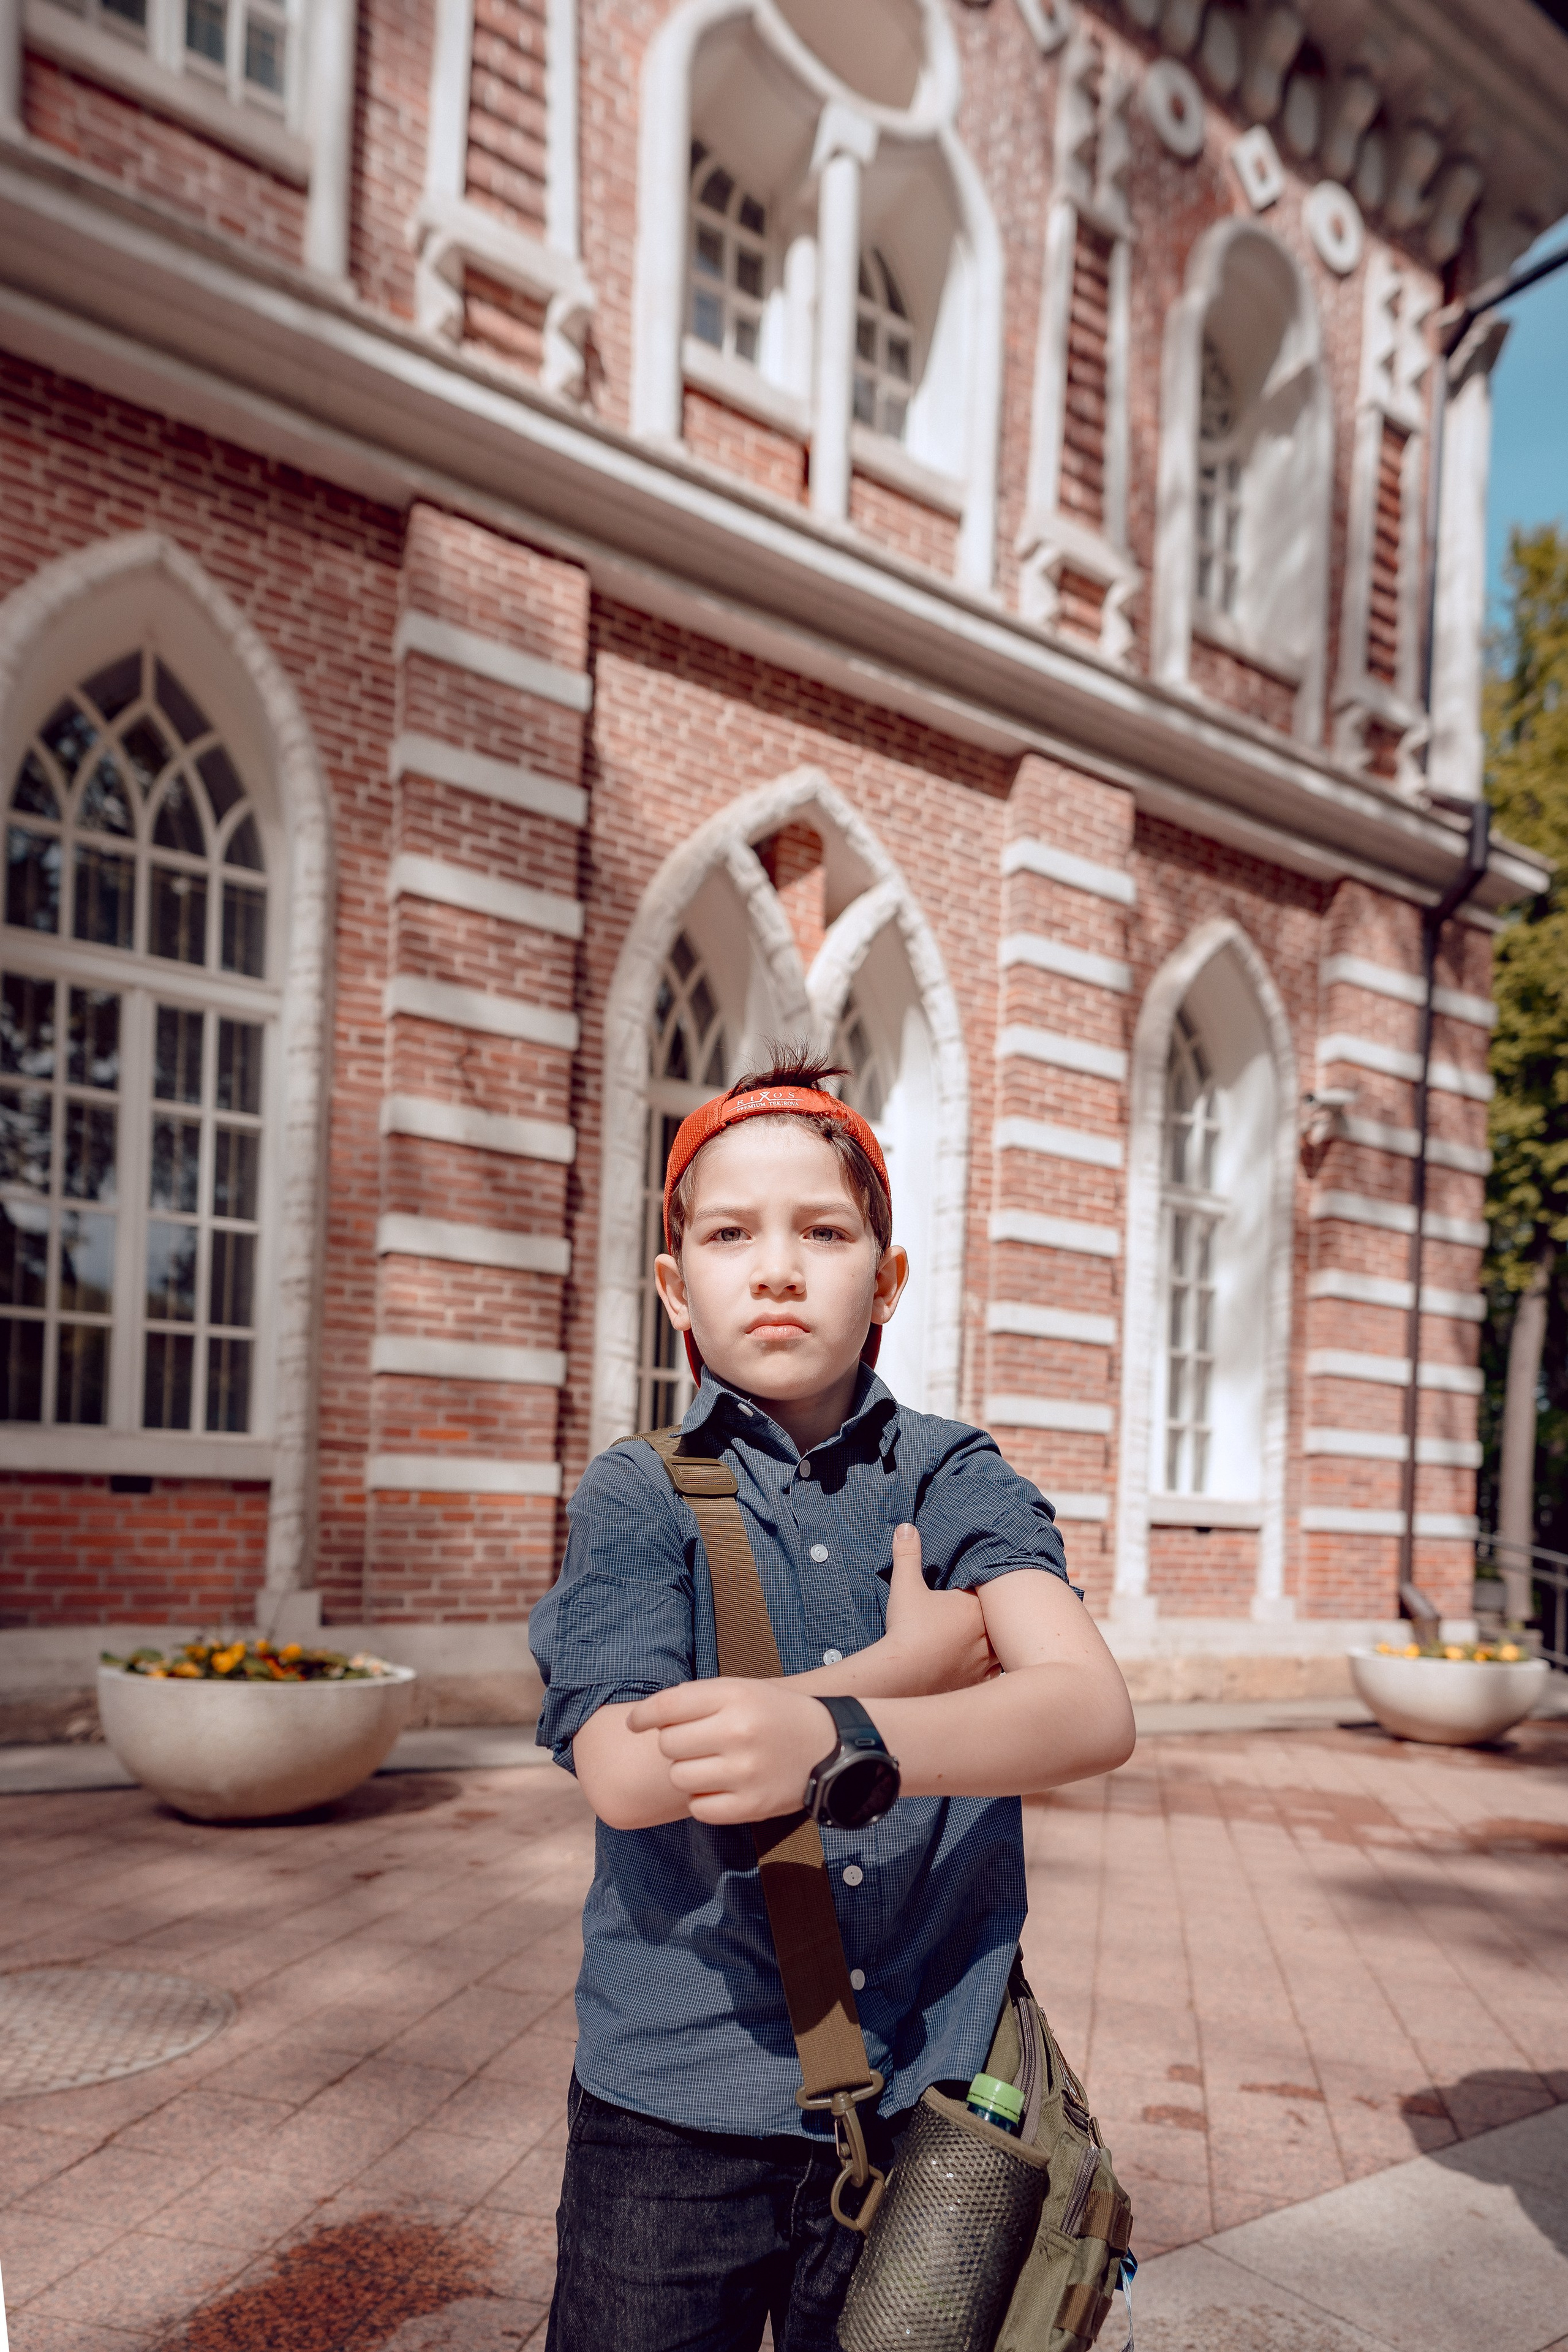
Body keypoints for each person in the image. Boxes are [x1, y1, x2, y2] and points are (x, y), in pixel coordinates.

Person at [530, 1050, 1135, 2351]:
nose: (777, 1268)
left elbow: (1089, 1710)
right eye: (729, 1234)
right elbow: (625, 1770)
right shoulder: (638, 1492)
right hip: (674, 2106)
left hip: (930, 2104)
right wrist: (887, 1680)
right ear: (674, 1287)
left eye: (823, 1231)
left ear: (887, 1279)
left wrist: (820, 1731)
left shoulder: (952, 1476)